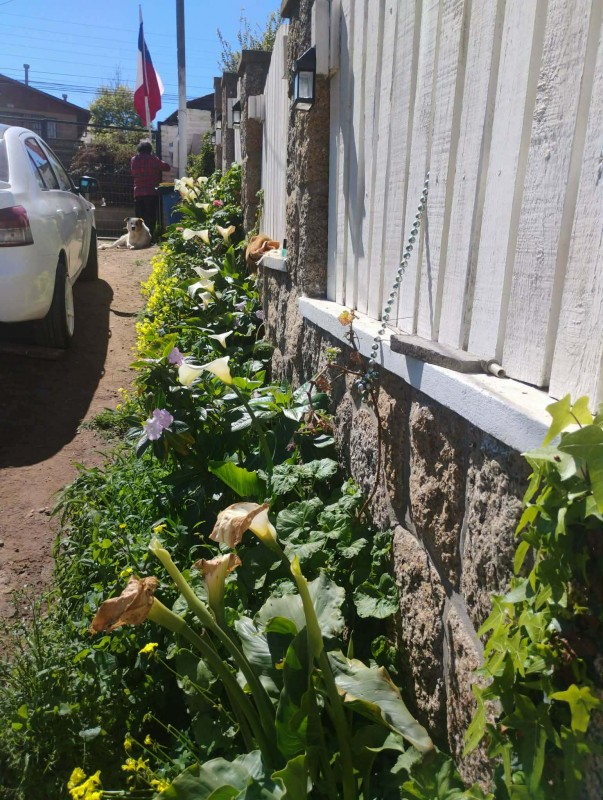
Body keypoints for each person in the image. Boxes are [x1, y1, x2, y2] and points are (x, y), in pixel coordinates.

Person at [130, 140, 171, 237]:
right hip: (151, 192)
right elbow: (166, 167)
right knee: (151, 217)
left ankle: (139, 237)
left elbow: (133, 173)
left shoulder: (134, 160)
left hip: (138, 192)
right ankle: (149, 237)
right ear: (150, 149)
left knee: (140, 218)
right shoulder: (153, 159)